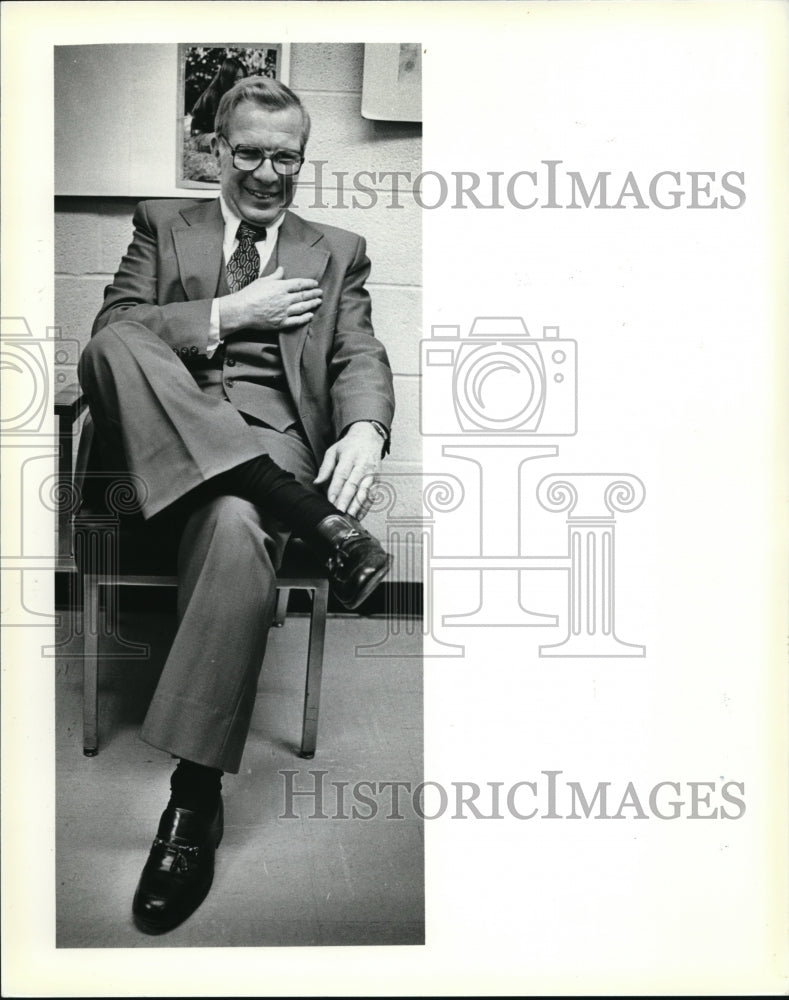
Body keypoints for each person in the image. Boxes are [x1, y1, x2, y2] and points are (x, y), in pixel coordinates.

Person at [77, 75, 395, 935]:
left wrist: (365, 428)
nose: (266, 172)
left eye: (284, 156)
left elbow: (357, 352)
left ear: (302, 157)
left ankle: (192, 799)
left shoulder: (337, 247)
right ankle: (315, 519)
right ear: (217, 149)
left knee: (231, 518)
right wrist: (225, 311)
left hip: (271, 442)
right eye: (249, 152)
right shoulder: (160, 225)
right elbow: (118, 333)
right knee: (114, 343)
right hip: (157, 448)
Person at [189, 55, 247, 136]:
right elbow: (220, 128)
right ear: (227, 79)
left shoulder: (237, 93)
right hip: (203, 136)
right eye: (236, 78)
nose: (239, 82)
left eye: (242, 78)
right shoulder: (213, 96)